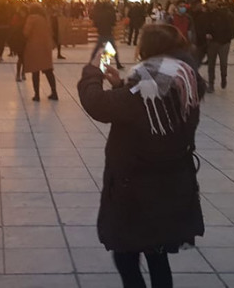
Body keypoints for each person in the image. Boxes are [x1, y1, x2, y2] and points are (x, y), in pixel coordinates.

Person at [77, 24, 205, 288]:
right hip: (170, 182)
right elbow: (146, 108)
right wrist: (122, 85)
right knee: (156, 255)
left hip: (138, 187)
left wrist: (92, 72)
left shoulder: (149, 86)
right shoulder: (180, 77)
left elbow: (97, 104)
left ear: (148, 48)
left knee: (125, 256)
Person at [24, 4, 59, 101]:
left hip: (34, 47)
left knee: (35, 72)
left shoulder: (31, 18)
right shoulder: (45, 19)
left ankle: (37, 95)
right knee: (48, 71)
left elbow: (26, 32)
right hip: (45, 47)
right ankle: (54, 92)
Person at [201, 0, 234, 92]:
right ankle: (211, 84)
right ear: (208, 4)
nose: (212, 4)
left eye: (214, 2)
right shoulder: (205, 15)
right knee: (211, 64)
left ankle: (224, 77)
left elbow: (229, 26)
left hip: (224, 42)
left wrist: (228, 39)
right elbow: (202, 27)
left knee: (223, 63)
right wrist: (206, 34)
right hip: (212, 42)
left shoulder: (223, 14)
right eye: (210, 2)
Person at [90, 0, 124, 70]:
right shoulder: (110, 13)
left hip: (101, 32)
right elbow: (113, 22)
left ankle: (91, 62)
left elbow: (95, 22)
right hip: (108, 32)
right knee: (113, 48)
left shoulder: (99, 13)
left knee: (97, 48)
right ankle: (118, 63)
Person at [10, 4, 28, 81]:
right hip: (19, 40)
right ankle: (19, 74)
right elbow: (13, 27)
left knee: (25, 59)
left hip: (26, 40)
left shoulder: (28, 18)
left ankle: (23, 73)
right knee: (21, 58)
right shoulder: (17, 17)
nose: (23, 13)